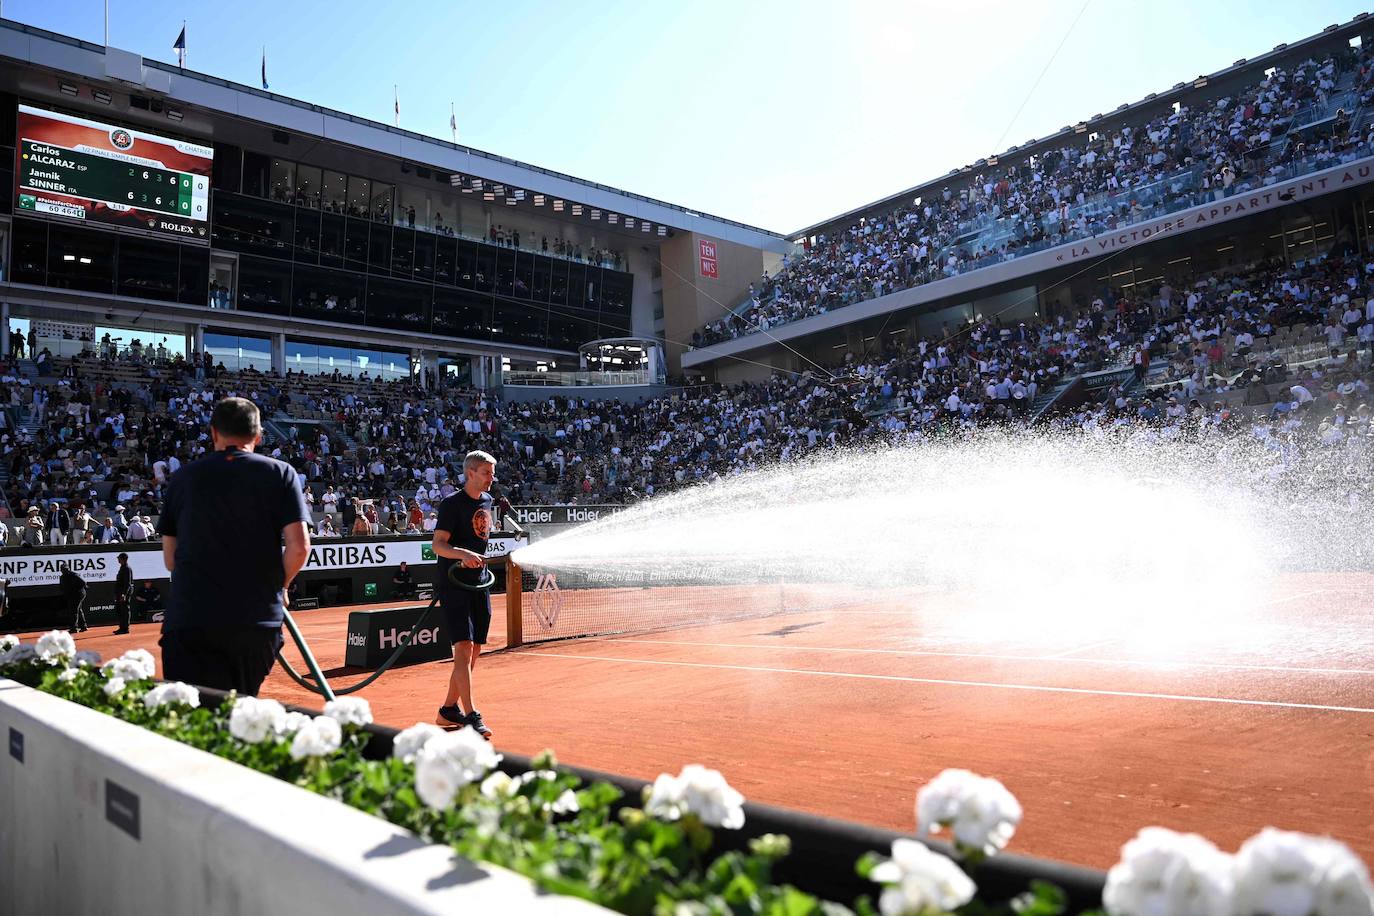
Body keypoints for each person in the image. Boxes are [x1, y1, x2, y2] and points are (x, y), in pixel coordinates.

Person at [157, 398, 311, 696]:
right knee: (239, 715)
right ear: (259, 436)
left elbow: (171, 559)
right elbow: (300, 547)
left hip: (190, 619)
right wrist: (281, 586)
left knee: (190, 722)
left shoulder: (182, 478)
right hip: (254, 621)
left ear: (214, 433)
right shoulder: (281, 473)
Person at [430, 450, 496, 737]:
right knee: (464, 647)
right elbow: (438, 545)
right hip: (455, 584)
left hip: (479, 583)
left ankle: (448, 710)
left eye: (492, 472)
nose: (492, 478)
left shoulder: (488, 501)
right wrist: (462, 554)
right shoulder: (451, 505)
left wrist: (474, 557)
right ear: (471, 473)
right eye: (487, 472)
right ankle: (471, 715)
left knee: (476, 649)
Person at [61, 565, 87, 633]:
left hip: (78, 595)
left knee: (74, 611)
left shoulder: (74, 575)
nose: (64, 570)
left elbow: (83, 583)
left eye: (66, 569)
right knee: (78, 609)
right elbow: (62, 586)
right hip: (72, 595)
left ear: (68, 569)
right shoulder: (62, 577)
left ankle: (74, 628)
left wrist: (76, 590)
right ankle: (83, 626)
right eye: (63, 569)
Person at [112, 552, 132, 634]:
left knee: (124, 610)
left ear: (123, 559)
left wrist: (124, 594)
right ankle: (122, 627)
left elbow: (127, 583)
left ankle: (125, 628)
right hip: (120, 592)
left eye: (119, 558)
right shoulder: (122, 568)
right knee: (120, 610)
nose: (118, 560)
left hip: (123, 593)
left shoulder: (127, 568)